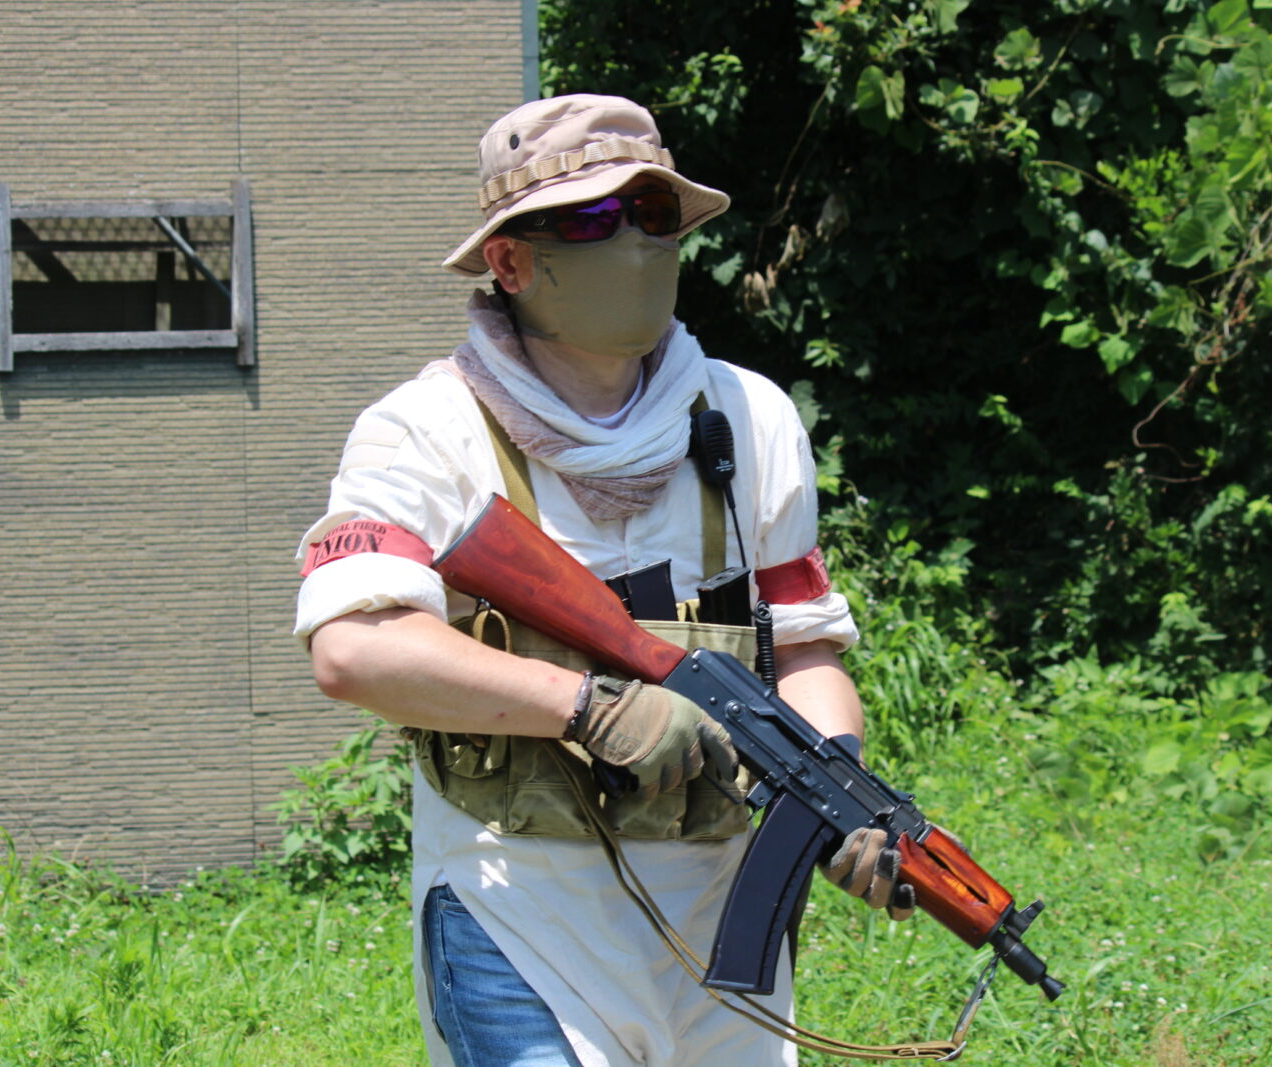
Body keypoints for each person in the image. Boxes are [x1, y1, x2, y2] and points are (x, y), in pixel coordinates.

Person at [295, 94, 908, 1067]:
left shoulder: (752, 421)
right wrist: (587, 708)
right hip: (519, 911)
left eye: (652, 213)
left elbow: (805, 648)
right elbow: (353, 648)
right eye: (588, 219)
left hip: (721, 924)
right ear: (508, 260)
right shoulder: (423, 431)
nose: (631, 241)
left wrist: (835, 793)